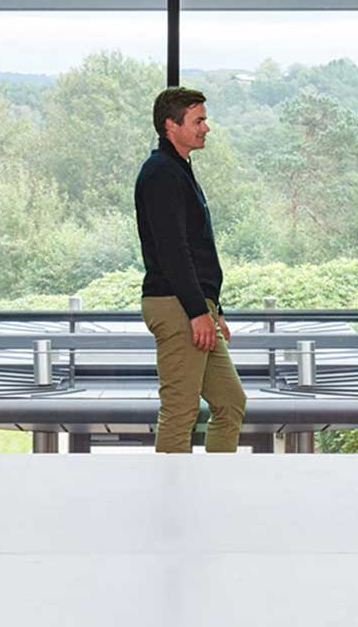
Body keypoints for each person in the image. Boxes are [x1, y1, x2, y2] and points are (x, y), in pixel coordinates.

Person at [135, 87, 245, 453]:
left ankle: (211, 491)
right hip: (176, 305)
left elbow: (195, 251)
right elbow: (173, 251)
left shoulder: (178, 170)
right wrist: (198, 311)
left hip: (196, 306)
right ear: (171, 125)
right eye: (198, 120)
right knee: (180, 413)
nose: (206, 128)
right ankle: (173, 506)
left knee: (230, 403)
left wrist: (213, 309)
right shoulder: (160, 173)